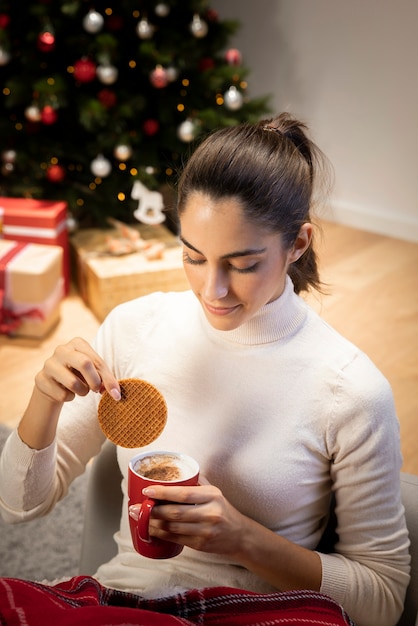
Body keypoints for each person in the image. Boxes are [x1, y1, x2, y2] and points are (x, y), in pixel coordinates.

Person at [0, 113, 410, 626]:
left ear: (297, 245)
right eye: (193, 257)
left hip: (261, 613)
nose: (212, 290)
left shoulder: (350, 390)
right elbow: (20, 508)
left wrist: (243, 539)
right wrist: (44, 396)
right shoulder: (134, 328)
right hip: (126, 603)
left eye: (241, 265)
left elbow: (385, 599)